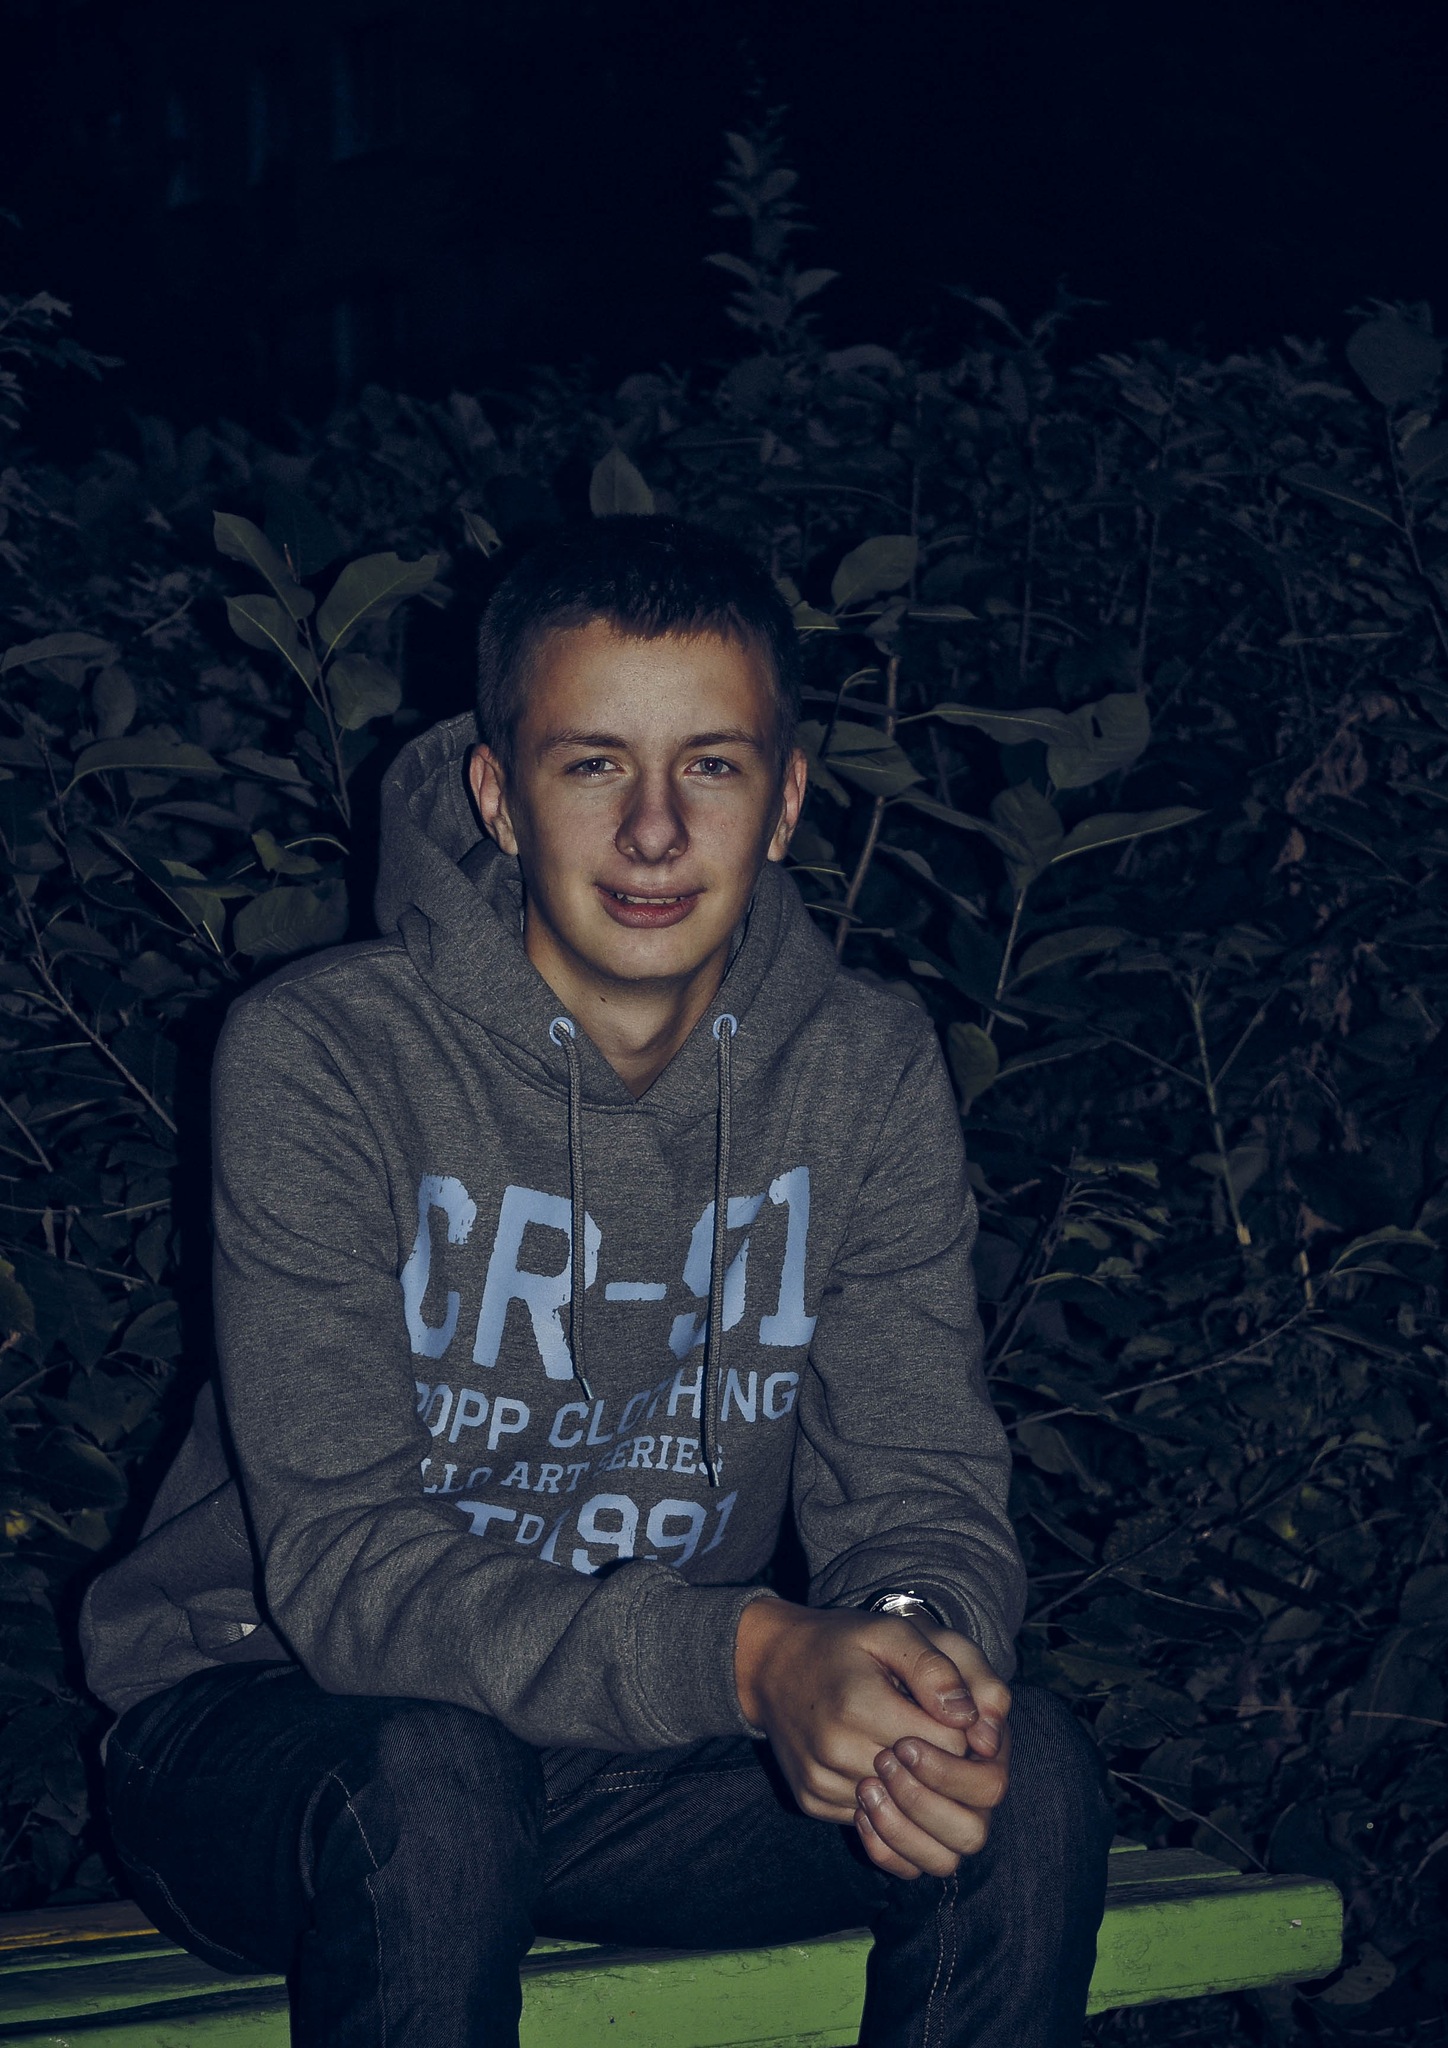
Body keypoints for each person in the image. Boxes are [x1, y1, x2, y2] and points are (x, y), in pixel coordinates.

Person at [81, 516, 1113, 2047]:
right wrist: (751, 1657)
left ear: (786, 800)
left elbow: (918, 1485)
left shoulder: (863, 1067)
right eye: (591, 765)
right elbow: (350, 1570)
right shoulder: (327, 1054)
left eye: (711, 765)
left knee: (1023, 1779)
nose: (653, 832)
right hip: (273, 1723)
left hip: (622, 1754)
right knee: (434, 1780)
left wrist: (908, 1650)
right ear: (497, 796)